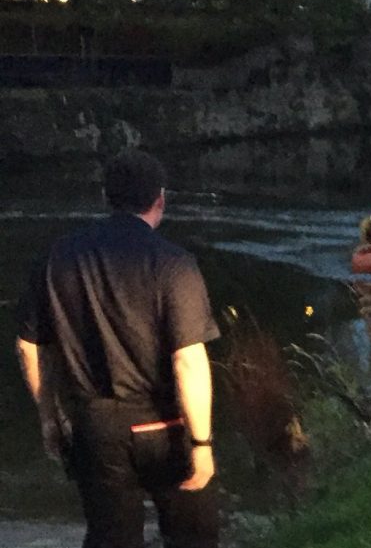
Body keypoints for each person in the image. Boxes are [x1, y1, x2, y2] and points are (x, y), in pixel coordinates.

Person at [15, 149, 220, 548]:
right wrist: (202, 444)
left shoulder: (56, 257)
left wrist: (50, 418)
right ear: (160, 200)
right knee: (192, 537)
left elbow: (30, 346)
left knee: (110, 538)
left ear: (105, 196)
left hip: (95, 427)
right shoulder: (174, 263)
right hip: (165, 424)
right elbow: (188, 360)